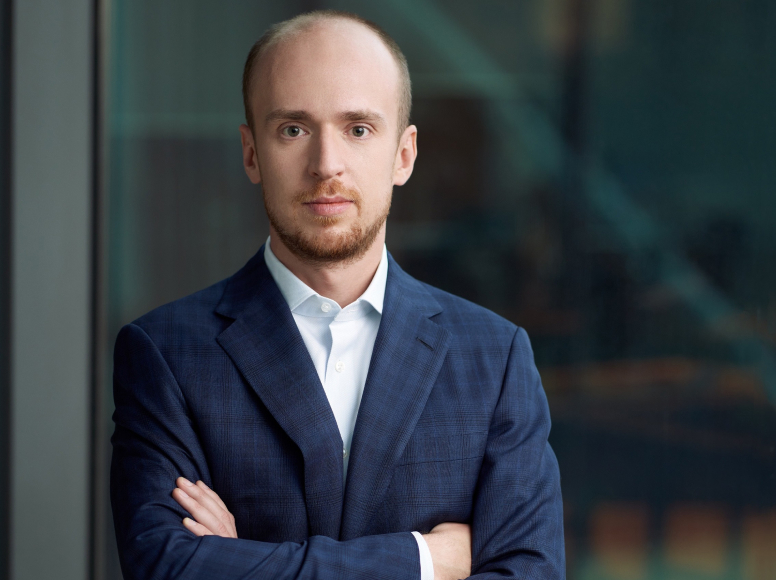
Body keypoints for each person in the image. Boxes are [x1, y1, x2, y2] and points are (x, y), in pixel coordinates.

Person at [110, 10, 565, 580]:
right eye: (293, 129)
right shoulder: (165, 354)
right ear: (251, 153)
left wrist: (241, 561)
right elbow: (166, 568)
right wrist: (425, 559)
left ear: (404, 154)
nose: (326, 165)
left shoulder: (495, 359)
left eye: (358, 129)